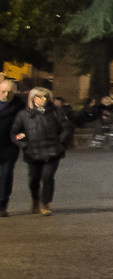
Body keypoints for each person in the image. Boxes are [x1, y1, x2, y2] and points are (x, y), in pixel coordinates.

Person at [12, 86, 73, 216]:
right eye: (39, 96)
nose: (43, 99)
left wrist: (59, 141)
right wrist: (24, 145)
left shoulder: (56, 112)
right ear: (32, 98)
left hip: (52, 151)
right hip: (33, 151)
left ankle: (45, 203)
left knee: (48, 176)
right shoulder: (24, 115)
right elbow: (15, 133)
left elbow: (67, 128)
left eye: (45, 96)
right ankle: (35, 199)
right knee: (33, 179)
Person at [0, 77, 20, 214]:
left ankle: (2, 204)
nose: (6, 95)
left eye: (9, 92)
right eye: (3, 92)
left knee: (6, 175)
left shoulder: (19, 107)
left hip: (9, 146)